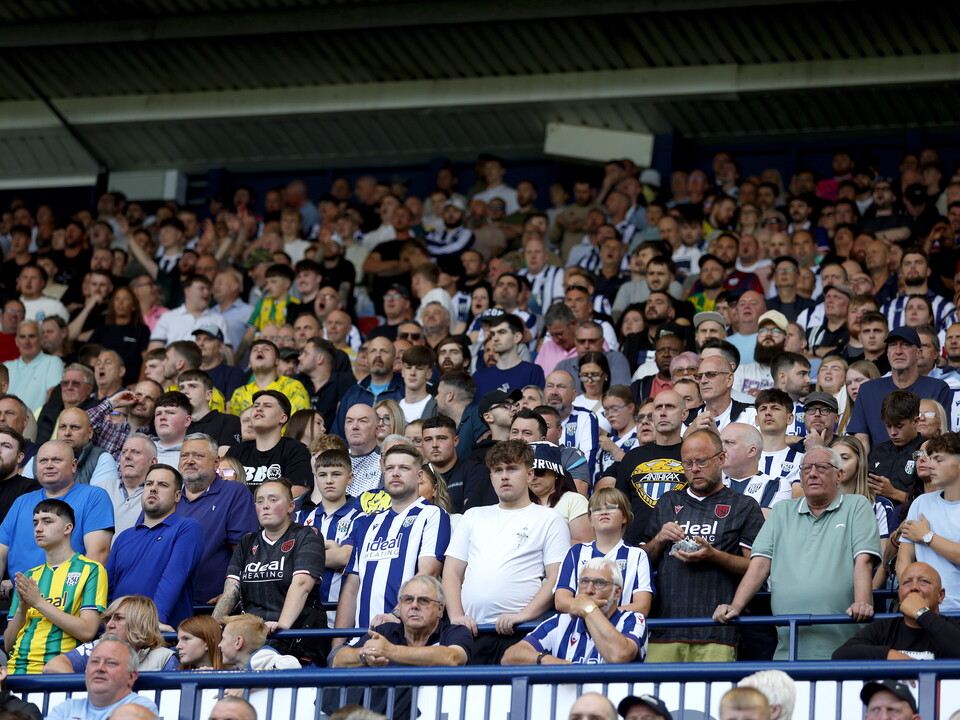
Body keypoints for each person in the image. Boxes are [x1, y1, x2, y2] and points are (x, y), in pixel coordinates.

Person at [713, 447, 881, 659]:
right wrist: (736, 606)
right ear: (800, 477)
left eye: (822, 467)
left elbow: (864, 560)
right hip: (789, 645)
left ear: (839, 475)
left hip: (846, 644)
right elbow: (759, 565)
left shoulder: (857, 505)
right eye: (806, 469)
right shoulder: (782, 511)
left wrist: (862, 603)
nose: (813, 473)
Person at [641, 430, 764, 662]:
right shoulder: (668, 502)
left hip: (717, 630)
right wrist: (659, 539)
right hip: (665, 629)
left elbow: (756, 567)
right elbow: (641, 562)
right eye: (687, 463)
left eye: (702, 461)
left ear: (721, 458)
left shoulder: (744, 505)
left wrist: (714, 555)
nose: (695, 469)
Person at [443, 440, 570, 664]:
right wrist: (456, 616)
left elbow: (557, 577)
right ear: (490, 476)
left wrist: (523, 616)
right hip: (472, 631)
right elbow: (452, 571)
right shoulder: (473, 516)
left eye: (512, 469)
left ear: (529, 474)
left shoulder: (550, 518)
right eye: (497, 470)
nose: (504, 476)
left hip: (522, 632)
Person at [336, 445, 450, 632]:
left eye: (404, 468)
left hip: (406, 633)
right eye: (390, 468)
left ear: (419, 476)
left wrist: (396, 614)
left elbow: (428, 572)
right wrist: (339, 641)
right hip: (362, 635)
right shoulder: (367, 522)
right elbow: (352, 587)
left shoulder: (432, 514)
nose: (395, 473)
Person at [215, 479, 326, 664]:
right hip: (251, 642)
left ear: (291, 506)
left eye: (273, 500)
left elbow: (302, 584)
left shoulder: (307, 534)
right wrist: (213, 628)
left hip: (296, 640)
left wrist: (282, 625)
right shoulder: (247, 541)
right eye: (260, 501)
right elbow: (231, 591)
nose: (265, 506)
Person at [4, 500, 105, 673]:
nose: (38, 528)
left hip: (56, 674)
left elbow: (88, 631)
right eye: (35, 523)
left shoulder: (91, 569)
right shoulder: (29, 576)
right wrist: (22, 609)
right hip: (15, 671)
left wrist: (38, 602)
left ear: (67, 528)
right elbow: (8, 645)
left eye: (47, 521)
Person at [0, 440, 113, 588]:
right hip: (20, 596)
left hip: (68, 595)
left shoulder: (93, 496)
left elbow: (98, 554)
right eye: (43, 461)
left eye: (57, 460)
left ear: (73, 465)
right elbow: (1, 554)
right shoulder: (21, 501)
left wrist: (72, 594)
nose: (49, 465)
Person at [106, 464, 203, 629]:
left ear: (177, 496)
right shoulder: (124, 537)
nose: (153, 489)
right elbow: (108, 587)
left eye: (163, 485)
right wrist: (105, 624)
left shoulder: (187, 528)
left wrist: (155, 621)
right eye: (149, 484)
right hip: (120, 632)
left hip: (158, 633)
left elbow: (174, 577)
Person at [502, 557, 647, 665]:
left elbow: (619, 656)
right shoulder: (560, 622)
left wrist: (588, 608)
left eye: (599, 583)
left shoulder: (633, 619)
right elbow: (509, 657)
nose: (588, 590)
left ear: (617, 592)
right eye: (584, 582)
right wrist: (548, 660)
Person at [176, 433, 259, 604]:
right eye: (184, 455)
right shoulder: (168, 495)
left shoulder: (234, 492)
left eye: (198, 455)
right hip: (167, 603)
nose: (189, 460)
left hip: (211, 605)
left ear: (216, 463)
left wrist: (235, 591)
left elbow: (244, 552)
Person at [848, 327, 952, 453]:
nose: (898, 351)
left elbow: (941, 434)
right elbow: (861, 440)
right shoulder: (868, 389)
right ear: (887, 353)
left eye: (905, 345)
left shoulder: (938, 387)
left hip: (921, 460)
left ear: (918, 353)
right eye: (892, 345)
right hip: (877, 463)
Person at [333, 575, 472, 667]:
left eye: (423, 601)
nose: (414, 605)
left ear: (440, 609)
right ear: (399, 606)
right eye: (408, 600)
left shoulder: (456, 631)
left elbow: (453, 658)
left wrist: (390, 651)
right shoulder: (384, 631)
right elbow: (338, 660)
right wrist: (365, 656)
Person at [607, 390, 688, 545]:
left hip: (680, 542)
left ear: (684, 414)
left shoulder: (692, 454)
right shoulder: (632, 457)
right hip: (635, 545)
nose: (662, 413)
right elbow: (620, 507)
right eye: (658, 408)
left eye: (670, 407)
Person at [555, 488, 652, 616]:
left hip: (622, 626)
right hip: (581, 626)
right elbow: (561, 601)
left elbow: (642, 606)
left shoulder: (637, 555)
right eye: (596, 509)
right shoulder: (576, 552)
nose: (604, 512)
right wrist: (596, 612)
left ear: (624, 517)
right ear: (590, 520)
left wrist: (596, 613)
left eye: (611, 507)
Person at [833, 561, 960, 659]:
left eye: (923, 581)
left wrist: (921, 613)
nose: (914, 587)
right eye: (907, 582)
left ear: (940, 595)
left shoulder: (953, 626)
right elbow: (841, 655)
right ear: (899, 595)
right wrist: (889, 655)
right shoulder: (883, 628)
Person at [897, 431, 960, 612]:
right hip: (924, 611)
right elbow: (904, 558)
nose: (931, 465)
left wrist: (927, 536)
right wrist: (911, 594)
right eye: (931, 459)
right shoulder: (921, 503)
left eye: (939, 460)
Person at [43, 595, 178, 674]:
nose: (109, 625)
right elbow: (52, 667)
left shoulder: (165, 658)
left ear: (139, 623)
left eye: (119, 618)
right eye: (109, 619)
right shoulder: (95, 647)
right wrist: (88, 691)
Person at [45, 637, 160, 719]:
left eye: (111, 663)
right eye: (95, 662)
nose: (100, 668)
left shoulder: (140, 708)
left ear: (131, 677)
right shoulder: (66, 709)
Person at [226, 390, 313, 493]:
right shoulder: (236, 452)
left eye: (267, 405)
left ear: (282, 418)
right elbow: (223, 487)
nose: (259, 408)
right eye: (256, 405)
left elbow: (298, 492)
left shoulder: (297, 450)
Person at [422, 415, 493, 514]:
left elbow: (471, 514)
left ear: (455, 441)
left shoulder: (475, 471)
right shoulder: (418, 477)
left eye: (441, 438)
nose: (434, 445)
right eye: (428, 439)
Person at [527, 442, 590, 544]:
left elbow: (584, 544)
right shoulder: (518, 504)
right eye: (529, 473)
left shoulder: (574, 501)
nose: (533, 478)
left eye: (539, 471)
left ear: (556, 472)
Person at [218, 614, 300, 670]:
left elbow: (292, 664)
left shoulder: (259, 658)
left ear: (238, 642)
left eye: (223, 639)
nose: (219, 645)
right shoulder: (244, 667)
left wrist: (250, 684)